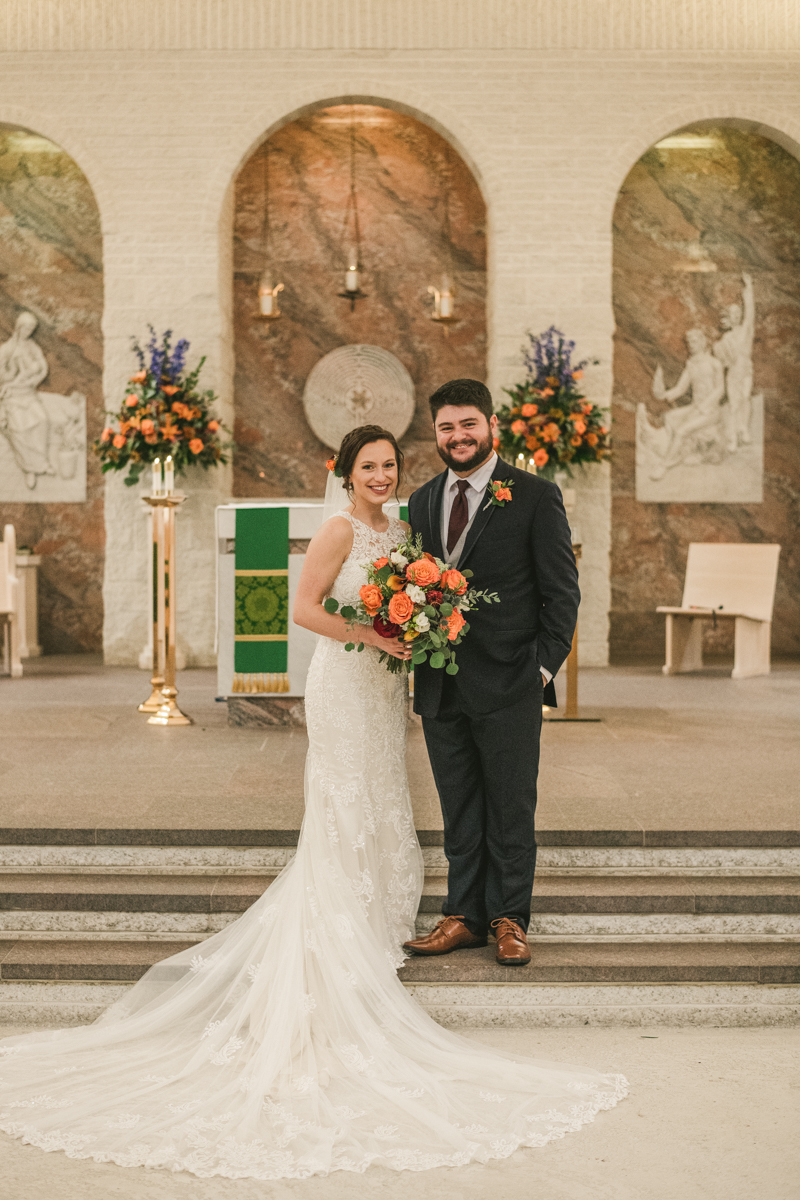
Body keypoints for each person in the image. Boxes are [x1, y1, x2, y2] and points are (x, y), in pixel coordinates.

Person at [0, 424, 625, 1181]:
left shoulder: (406, 524)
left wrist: (416, 629)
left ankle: (432, 917)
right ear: (346, 471)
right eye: (370, 466)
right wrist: (377, 631)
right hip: (347, 679)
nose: (383, 475)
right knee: (346, 799)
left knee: (385, 797)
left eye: (391, 464)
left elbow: (469, 591)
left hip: (394, 685)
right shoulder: (338, 528)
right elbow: (304, 608)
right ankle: (349, 928)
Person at [404, 380, 580, 967]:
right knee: (458, 805)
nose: (458, 437)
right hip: (441, 680)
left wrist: (540, 669)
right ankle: (462, 916)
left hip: (510, 680)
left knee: (510, 804)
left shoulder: (534, 495)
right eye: (447, 428)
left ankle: (510, 919)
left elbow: (562, 594)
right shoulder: (422, 500)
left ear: (492, 425)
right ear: (436, 433)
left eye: (468, 425)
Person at [648, 328, 725, 480]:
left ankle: (664, 465)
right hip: (695, 407)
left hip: (710, 411)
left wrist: (704, 407)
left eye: (695, 341)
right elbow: (681, 388)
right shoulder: (691, 364)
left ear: (703, 342)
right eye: (689, 342)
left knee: (681, 430)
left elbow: (720, 389)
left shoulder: (715, 363)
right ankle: (685, 451)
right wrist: (664, 395)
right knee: (669, 417)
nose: (691, 345)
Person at [0, 310, 54, 490]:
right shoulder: (7, 349)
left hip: (28, 392)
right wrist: (14, 375)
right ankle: (28, 468)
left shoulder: (32, 346)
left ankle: (42, 462)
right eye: (27, 328)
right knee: (19, 429)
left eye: (32, 329)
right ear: (18, 327)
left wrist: (32, 378)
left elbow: (42, 367)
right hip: (12, 395)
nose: (29, 332)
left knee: (43, 420)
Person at [714, 272, 755, 450]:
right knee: (733, 403)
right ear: (728, 319)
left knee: (745, 398)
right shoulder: (725, 339)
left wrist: (749, 288)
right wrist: (722, 356)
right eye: (733, 314)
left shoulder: (746, 331)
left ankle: (743, 429)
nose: (736, 316)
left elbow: (751, 312)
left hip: (746, 369)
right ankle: (731, 438)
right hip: (733, 372)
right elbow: (721, 361)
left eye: (738, 312)